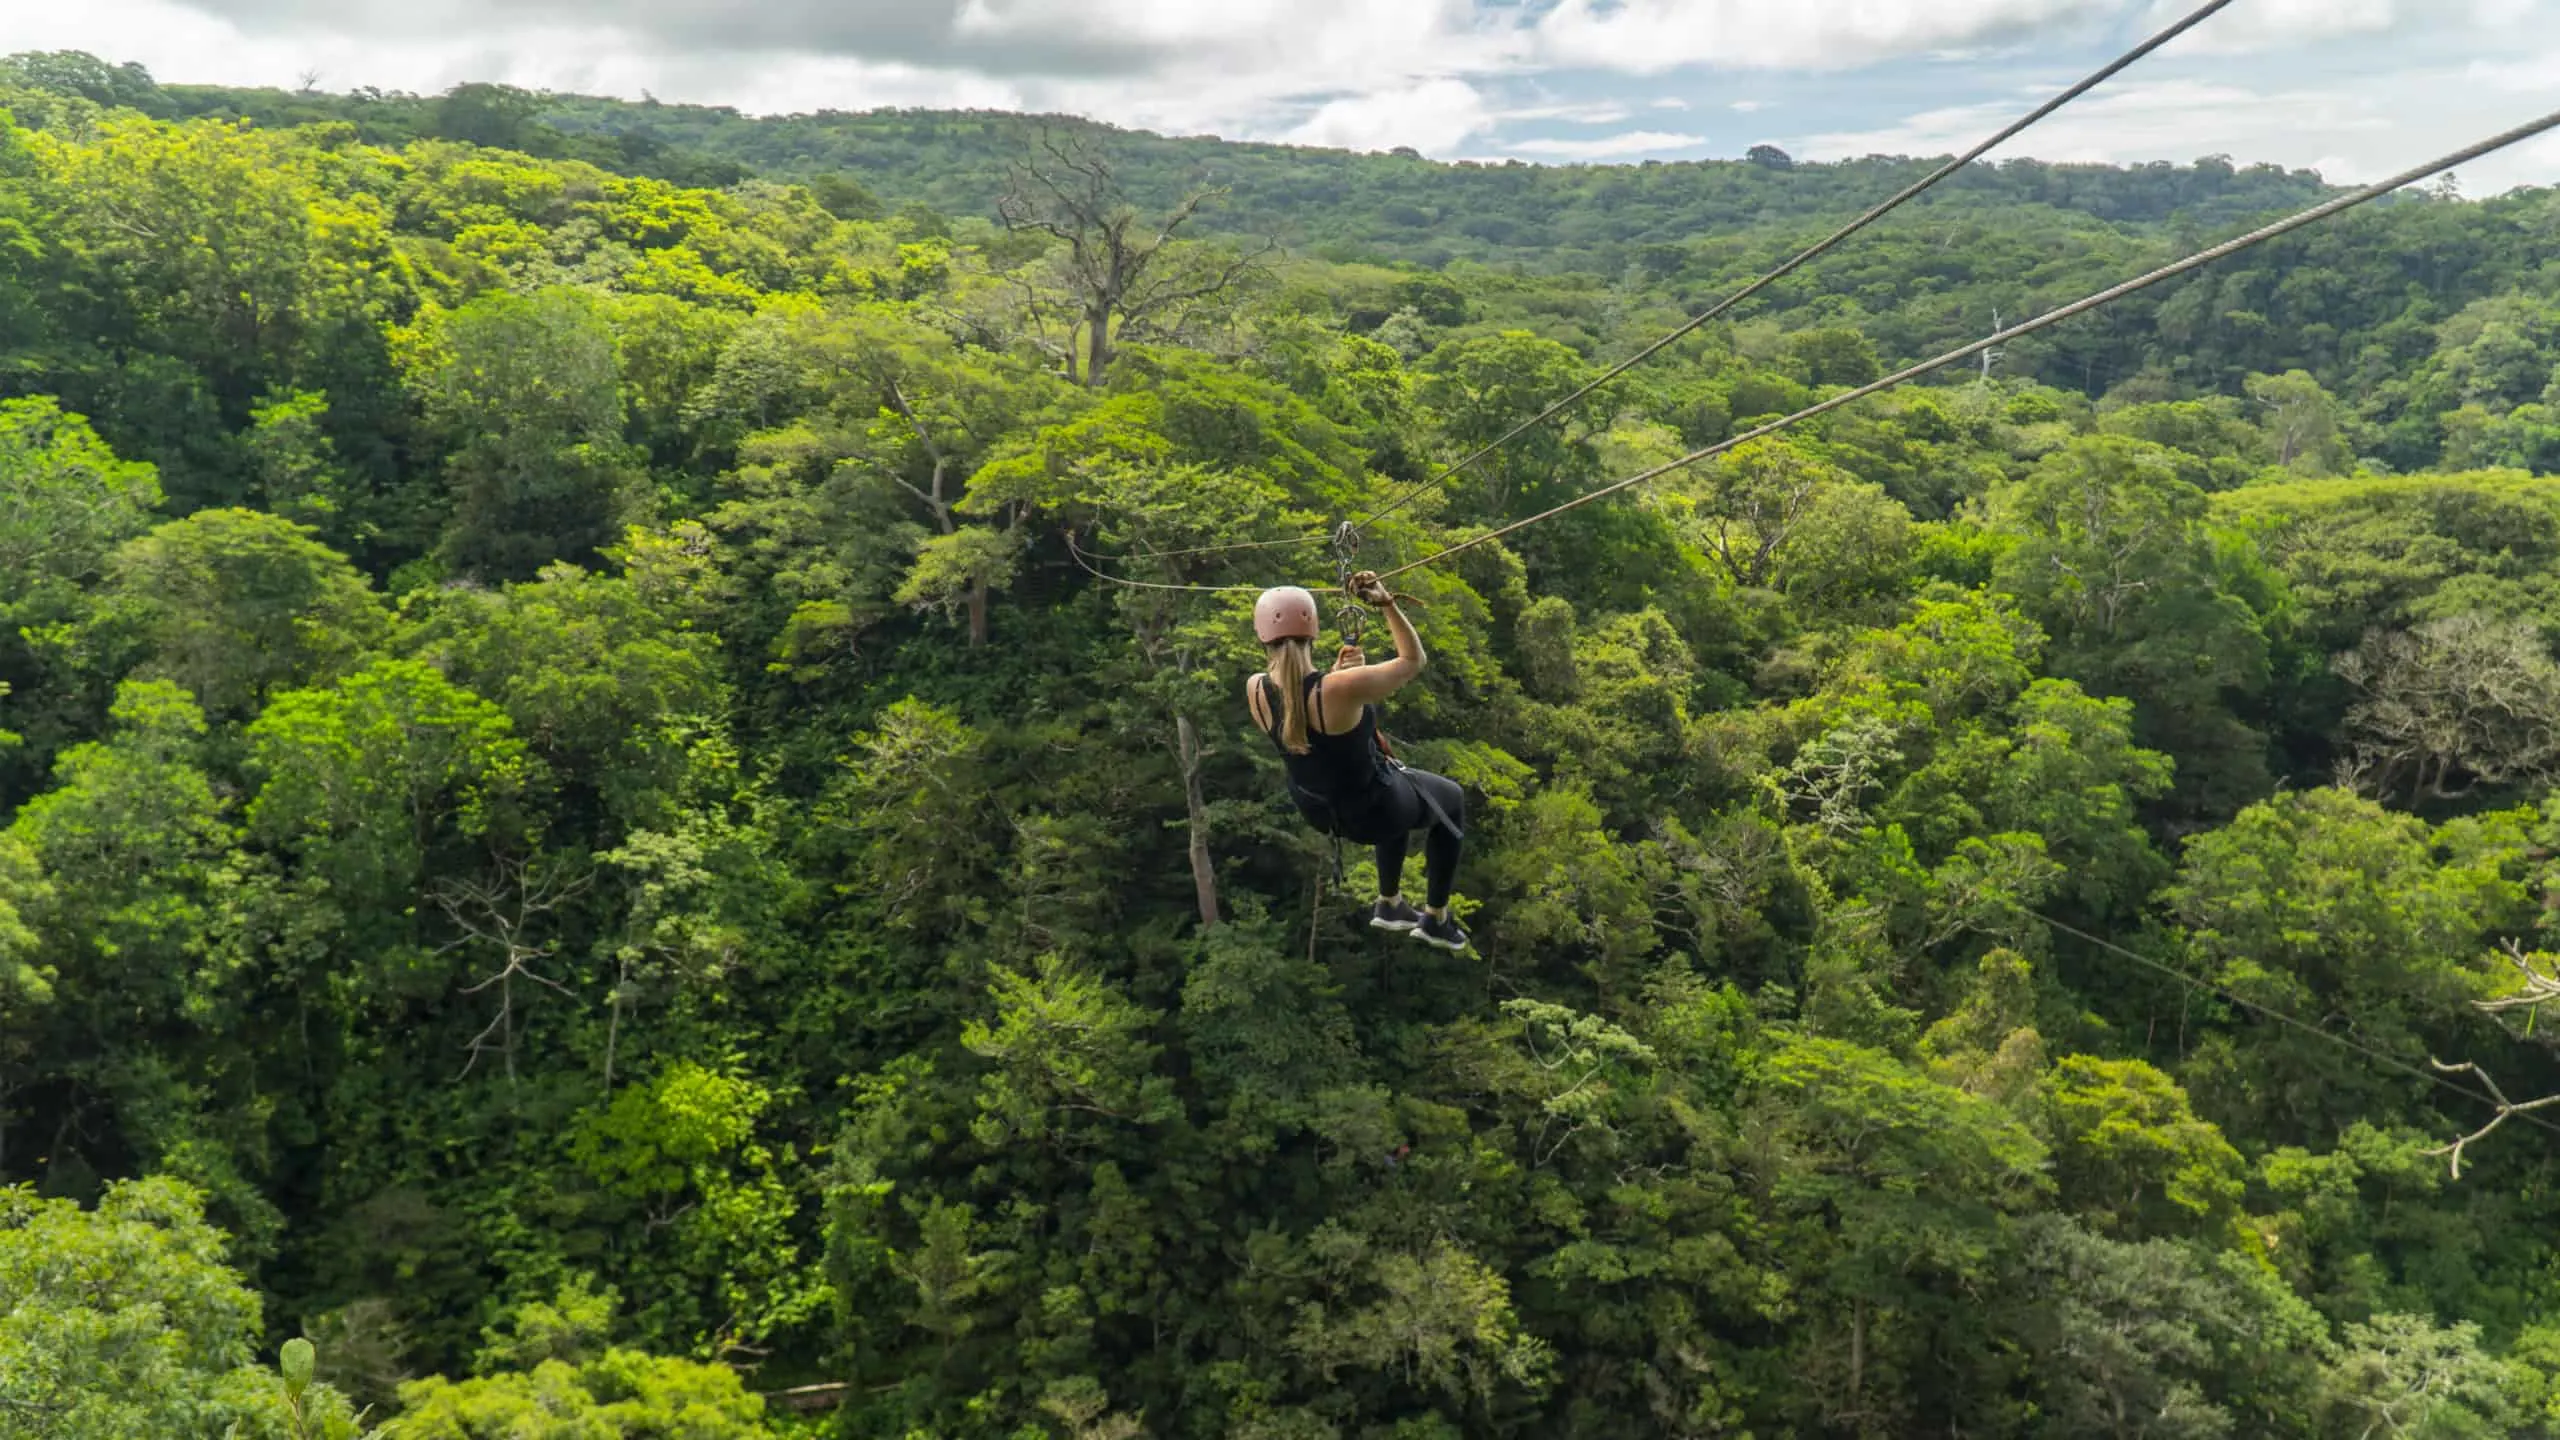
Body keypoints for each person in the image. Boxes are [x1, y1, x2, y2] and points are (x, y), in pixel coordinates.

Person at [1245, 573, 1469, 952]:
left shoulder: (1256, 689)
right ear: (1312, 631)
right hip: (1375, 811)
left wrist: (1339, 676)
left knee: (1398, 790)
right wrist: (1387, 604)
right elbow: (1413, 660)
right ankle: (1436, 917)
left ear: (1262, 635)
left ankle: (1391, 903)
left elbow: (1311, 718)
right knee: (1451, 798)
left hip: (1322, 813)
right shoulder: (1341, 689)